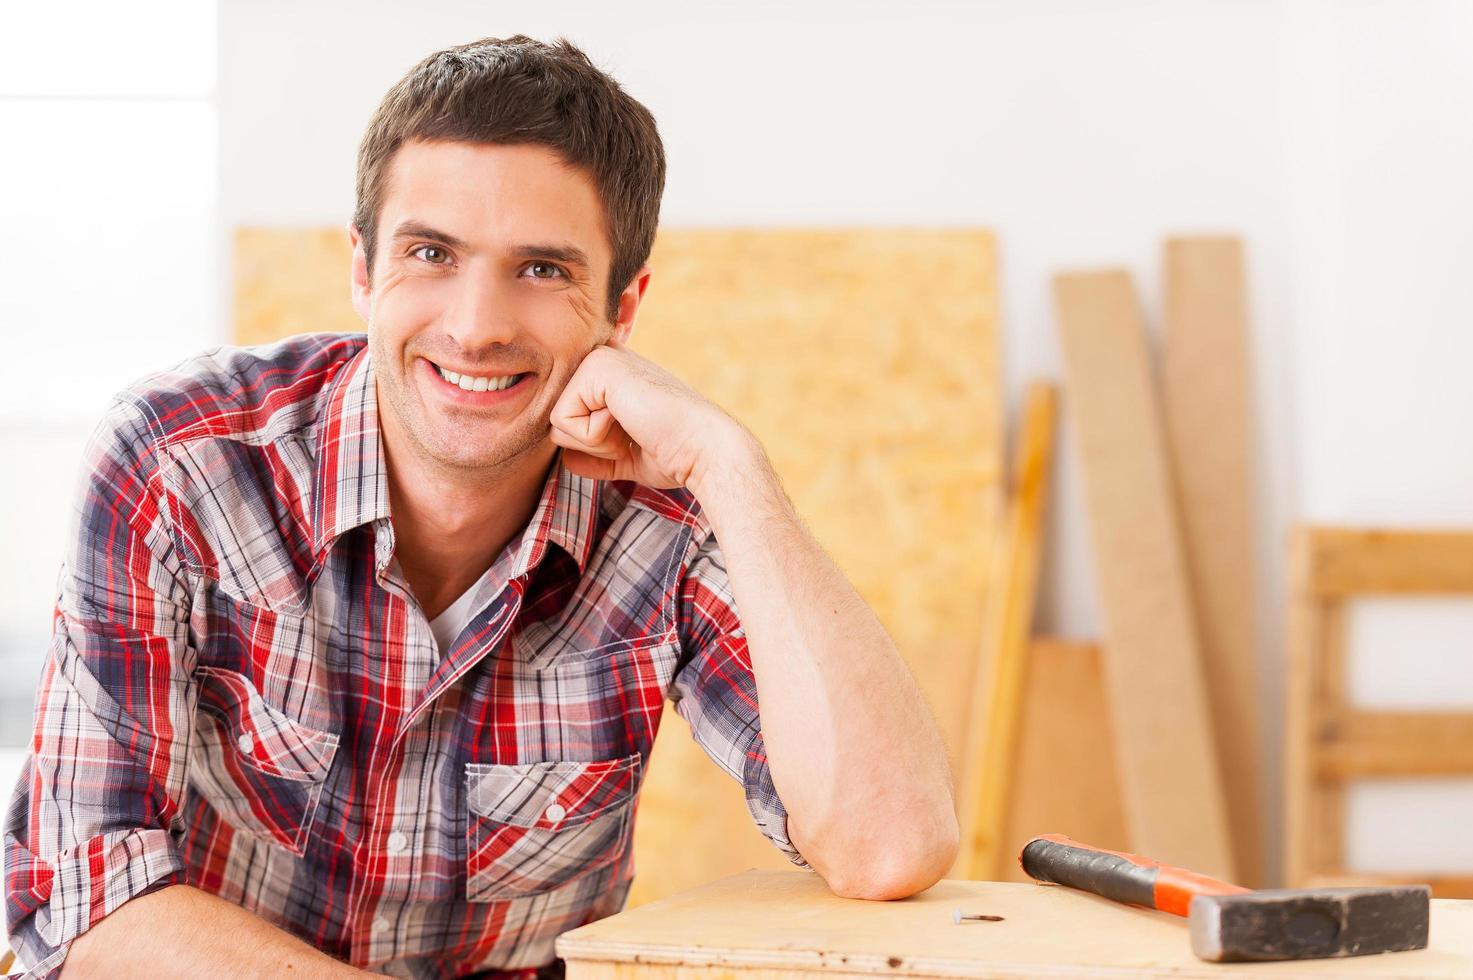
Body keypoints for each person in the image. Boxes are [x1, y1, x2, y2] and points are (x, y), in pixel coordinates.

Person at [2, 35, 957, 980]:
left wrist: (730, 462)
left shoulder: (668, 513)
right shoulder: (183, 462)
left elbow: (886, 846)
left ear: (623, 310)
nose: (475, 325)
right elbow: (84, 900)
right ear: (363, 270)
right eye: (430, 252)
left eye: (541, 269)